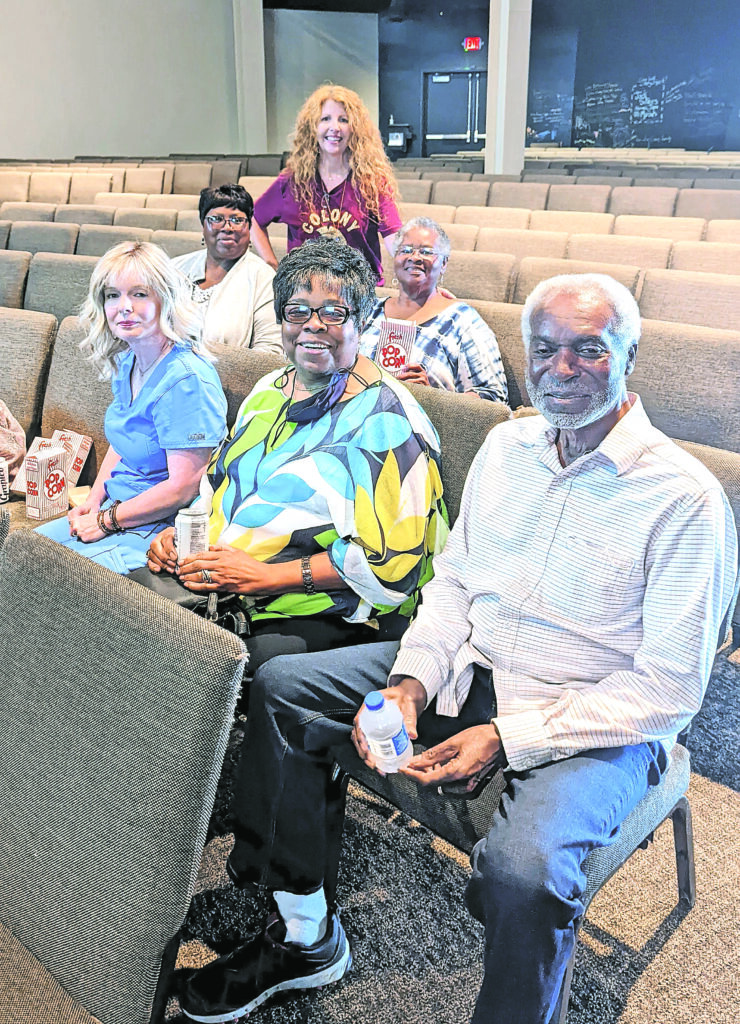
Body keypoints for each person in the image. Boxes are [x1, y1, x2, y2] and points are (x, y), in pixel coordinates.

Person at [179, 273, 738, 1024]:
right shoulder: (509, 447)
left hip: (597, 720)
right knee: (283, 687)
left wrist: (508, 736)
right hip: (474, 674)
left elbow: (668, 691)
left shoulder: (684, 499)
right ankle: (307, 935)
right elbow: (453, 583)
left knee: (525, 874)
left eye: (589, 350)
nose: (561, 369)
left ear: (630, 355)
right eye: (544, 349)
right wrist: (412, 679)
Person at [145, 236, 447, 673]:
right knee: (117, 614)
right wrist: (180, 536)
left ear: (361, 323)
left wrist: (264, 577)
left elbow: (393, 564)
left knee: (175, 658)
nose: (313, 324)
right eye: (297, 311)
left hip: (326, 607)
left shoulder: (388, 419)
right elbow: (219, 485)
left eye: (333, 311)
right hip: (225, 581)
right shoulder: (269, 390)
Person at [36, 241, 227, 575]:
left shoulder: (186, 379)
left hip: (155, 528)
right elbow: (124, 443)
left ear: (165, 300)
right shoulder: (129, 360)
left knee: (42, 581)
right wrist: (94, 501)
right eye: (113, 295)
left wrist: (106, 521)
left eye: (139, 294)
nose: (123, 307)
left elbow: (184, 487)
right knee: (15, 552)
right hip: (115, 507)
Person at [250, 84, 402, 283]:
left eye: (344, 120)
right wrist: (271, 266)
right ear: (312, 128)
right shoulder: (293, 181)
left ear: (355, 129)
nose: (335, 127)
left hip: (358, 293)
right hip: (305, 291)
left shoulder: (373, 182)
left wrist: (423, 280)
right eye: (325, 119)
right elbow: (254, 219)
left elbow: (395, 242)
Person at [360, 217, 509, 402]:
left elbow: (494, 398)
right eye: (405, 250)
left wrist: (432, 397)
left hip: (425, 425)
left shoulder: (462, 320)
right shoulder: (369, 309)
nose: (414, 257)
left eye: (426, 252)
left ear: (444, 263)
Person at [172, 184, 283, 355]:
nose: (227, 228)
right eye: (216, 219)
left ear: (249, 227)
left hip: (227, 379)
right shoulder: (173, 269)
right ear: (203, 225)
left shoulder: (265, 279)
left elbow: (271, 353)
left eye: (237, 220)